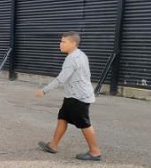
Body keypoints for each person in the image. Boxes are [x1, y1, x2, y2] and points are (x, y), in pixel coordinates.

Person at [36, 31, 102, 161]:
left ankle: (95, 152)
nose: (60, 44)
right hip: (73, 95)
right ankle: (53, 145)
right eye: (61, 41)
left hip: (78, 97)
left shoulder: (72, 59)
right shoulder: (80, 54)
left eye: (63, 42)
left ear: (73, 43)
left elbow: (61, 79)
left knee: (84, 124)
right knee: (63, 118)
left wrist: (44, 90)